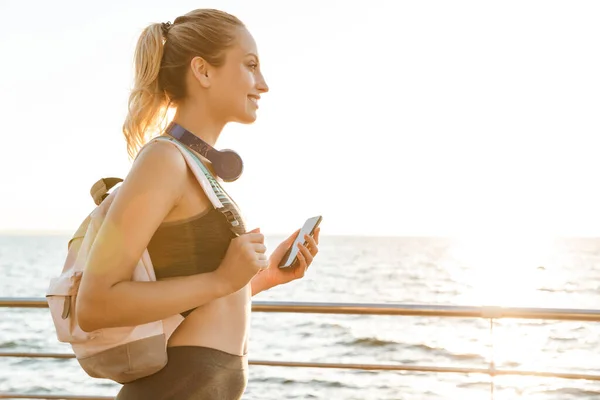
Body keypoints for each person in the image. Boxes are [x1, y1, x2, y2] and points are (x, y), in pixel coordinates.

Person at [75, 8, 321, 400]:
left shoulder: (196, 164)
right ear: (203, 71)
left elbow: (199, 302)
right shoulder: (163, 160)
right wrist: (223, 279)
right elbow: (94, 304)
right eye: (251, 65)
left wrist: (260, 279)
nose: (264, 84)